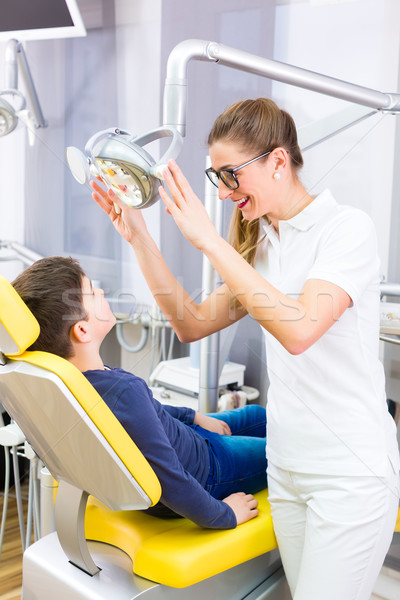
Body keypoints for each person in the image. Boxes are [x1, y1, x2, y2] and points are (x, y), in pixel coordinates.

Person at [91, 97, 400, 600]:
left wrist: (211, 242)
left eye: (231, 173)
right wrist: (139, 238)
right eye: (217, 177)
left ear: (278, 161)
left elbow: (299, 331)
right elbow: (190, 323)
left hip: (349, 474)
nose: (225, 190)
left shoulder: (346, 230)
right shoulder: (262, 245)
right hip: (287, 464)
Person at [12, 256, 267, 530]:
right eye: (91, 293)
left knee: (257, 415)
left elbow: (147, 412)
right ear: (82, 330)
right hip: (209, 471)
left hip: (191, 440)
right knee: (283, 453)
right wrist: (225, 514)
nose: (101, 292)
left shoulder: (75, 384)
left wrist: (193, 415)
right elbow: (171, 477)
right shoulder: (122, 391)